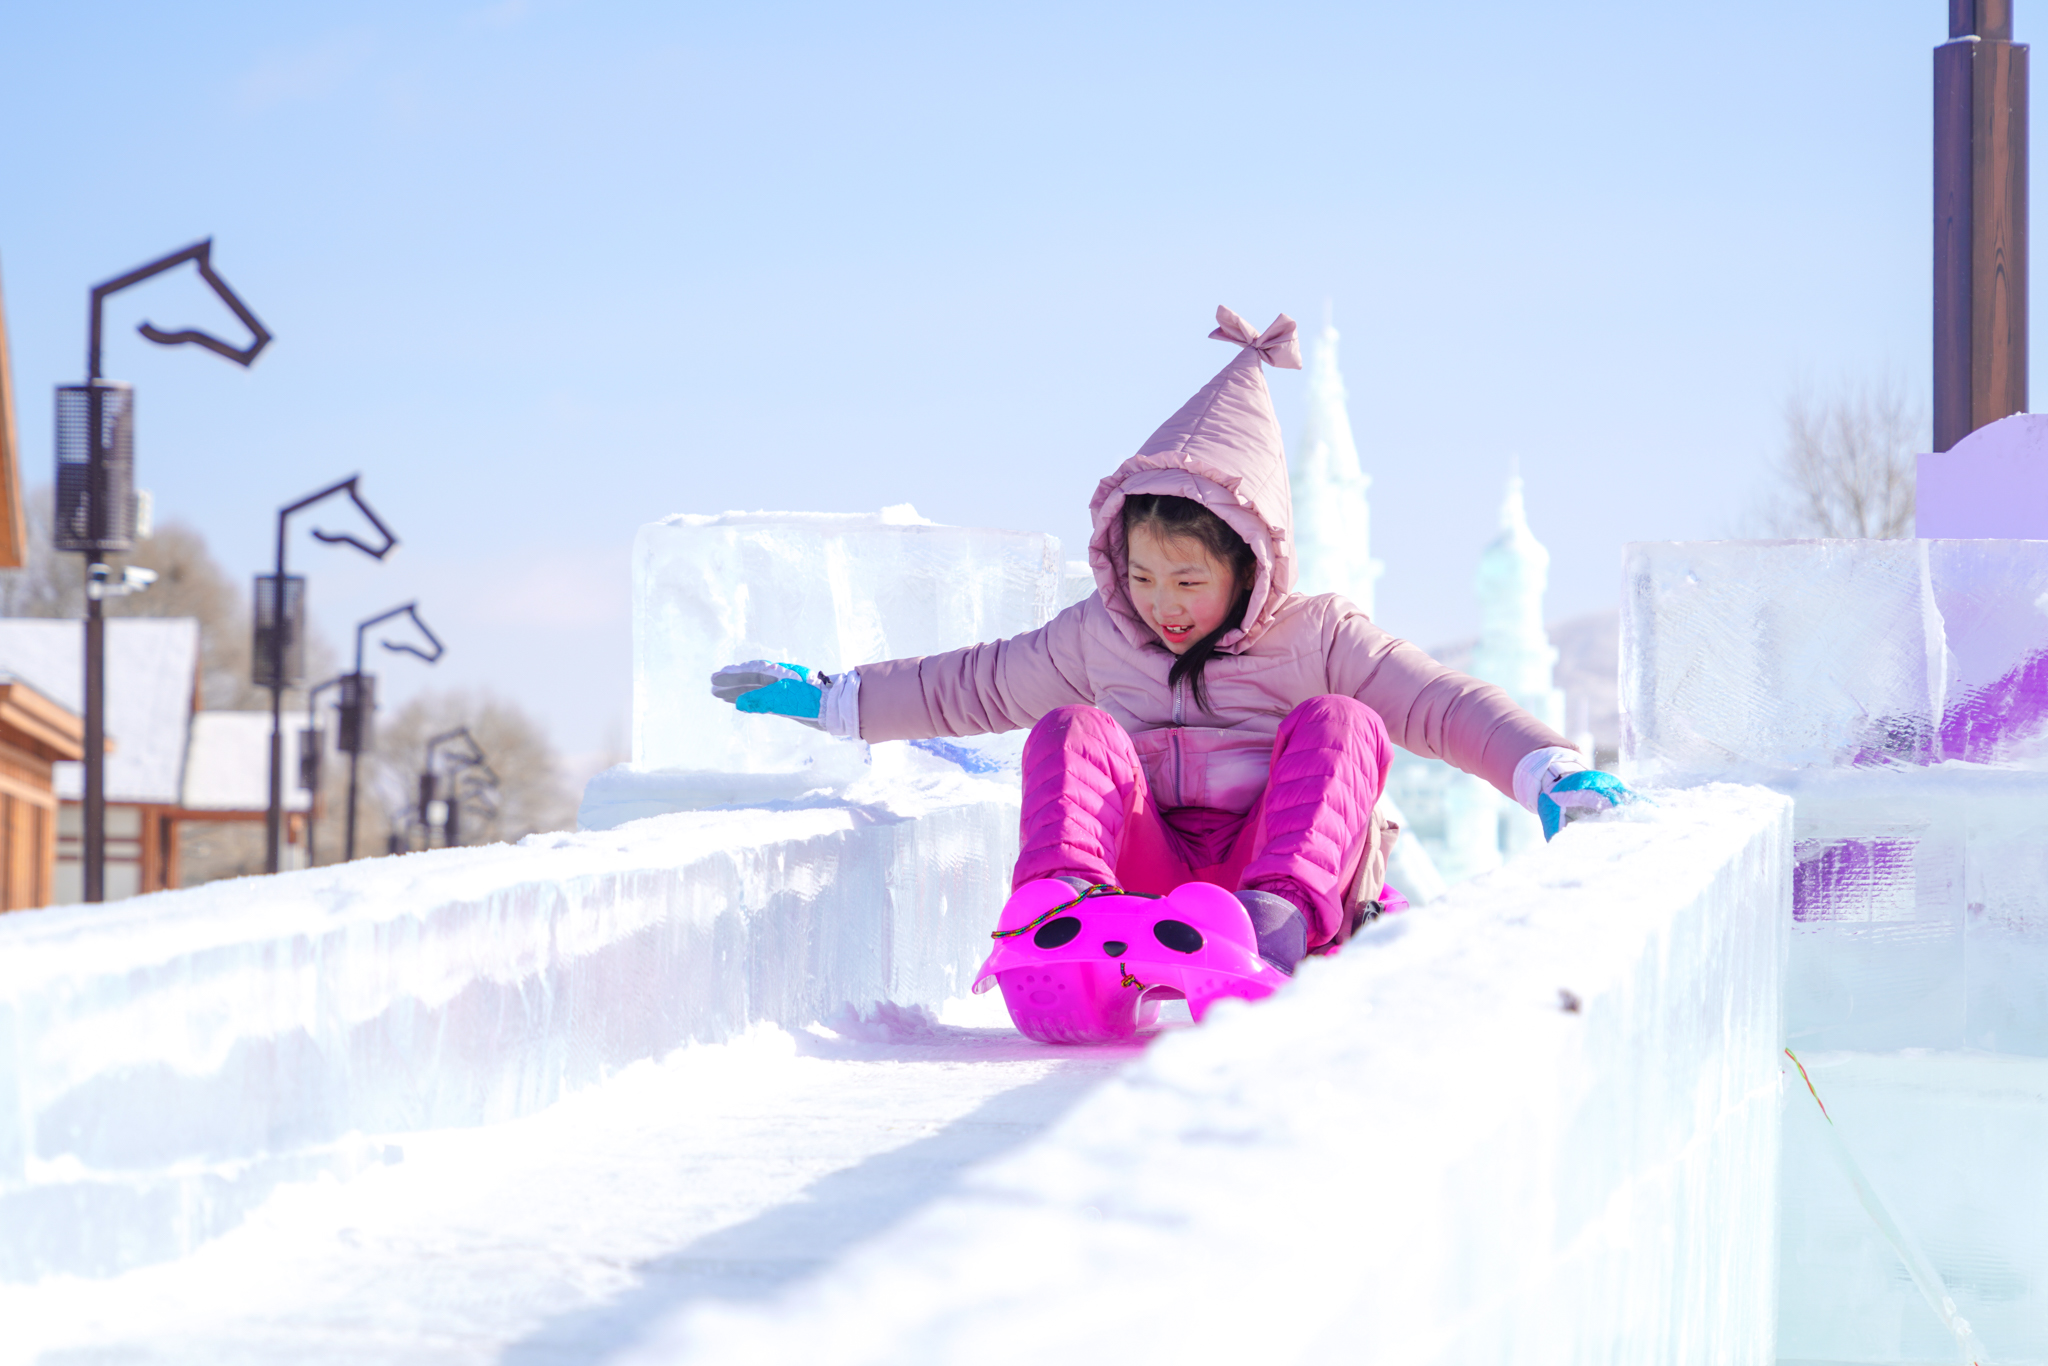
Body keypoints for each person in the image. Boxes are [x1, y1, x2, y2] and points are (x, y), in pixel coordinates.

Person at [712, 306, 1633, 973]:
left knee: (1344, 722)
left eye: (1189, 581)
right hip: (1152, 885)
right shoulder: (1099, 635)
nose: (1163, 605)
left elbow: (1440, 704)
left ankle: (1272, 929)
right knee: (1070, 730)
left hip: (1276, 878)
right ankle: (1062, 919)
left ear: (1249, 563)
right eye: (1145, 577)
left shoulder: (1319, 632)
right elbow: (974, 686)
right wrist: (835, 697)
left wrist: (1546, 770)